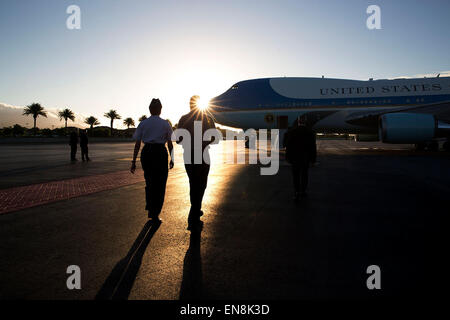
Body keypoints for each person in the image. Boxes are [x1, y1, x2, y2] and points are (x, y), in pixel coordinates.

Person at [130, 99, 174, 222]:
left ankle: (150, 208)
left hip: (147, 153)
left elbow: (137, 144)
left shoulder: (143, 124)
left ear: (150, 110)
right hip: (160, 153)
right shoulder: (165, 124)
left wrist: (133, 161)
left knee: (149, 182)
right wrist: (172, 158)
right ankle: (155, 213)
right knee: (160, 184)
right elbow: (170, 143)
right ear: (160, 109)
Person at [177, 95, 216, 231]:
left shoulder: (183, 118)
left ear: (190, 105)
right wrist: (203, 143)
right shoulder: (208, 118)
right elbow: (214, 137)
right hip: (203, 154)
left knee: (193, 183)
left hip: (189, 155)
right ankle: (193, 215)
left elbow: (177, 139)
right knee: (202, 184)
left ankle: (196, 210)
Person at [285, 115, 317, 201]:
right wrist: (313, 160)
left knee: (295, 176)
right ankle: (303, 191)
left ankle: (296, 192)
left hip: (295, 159)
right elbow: (313, 148)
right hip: (305, 158)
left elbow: (288, 146)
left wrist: (288, 158)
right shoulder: (310, 132)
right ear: (305, 122)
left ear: (298, 122)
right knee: (304, 175)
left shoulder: (292, 131)